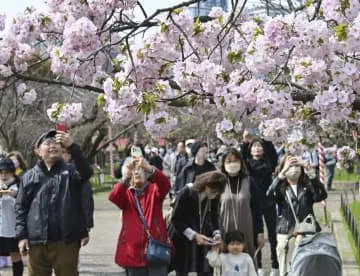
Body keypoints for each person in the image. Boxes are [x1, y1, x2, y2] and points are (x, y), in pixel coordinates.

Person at [15, 129, 93, 276]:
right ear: (38, 151)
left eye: (56, 143)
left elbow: (86, 172)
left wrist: (72, 147)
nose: (53, 146)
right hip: (36, 241)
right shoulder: (28, 176)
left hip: (66, 239)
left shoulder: (71, 172)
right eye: (48, 143)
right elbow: (21, 208)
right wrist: (22, 236)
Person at [109, 157, 170, 276]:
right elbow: (114, 197)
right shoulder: (126, 193)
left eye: (141, 169)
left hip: (156, 248)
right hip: (132, 251)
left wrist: (150, 168)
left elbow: (165, 185)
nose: (137, 172)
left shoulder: (154, 190)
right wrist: (125, 177)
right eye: (134, 170)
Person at [267, 155, 327, 276]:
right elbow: (270, 196)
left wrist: (311, 173)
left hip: (307, 228)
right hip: (286, 229)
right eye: (290, 165)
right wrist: (281, 174)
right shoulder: (281, 188)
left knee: (306, 264)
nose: (293, 168)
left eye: (296, 165)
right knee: (284, 259)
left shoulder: (308, 185)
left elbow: (321, 195)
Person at [169, 171, 227, 276]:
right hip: (183, 235)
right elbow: (176, 219)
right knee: (182, 268)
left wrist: (217, 234)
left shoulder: (214, 196)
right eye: (212, 190)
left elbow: (215, 215)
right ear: (205, 184)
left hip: (203, 234)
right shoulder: (187, 192)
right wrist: (194, 235)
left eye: (217, 192)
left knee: (205, 268)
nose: (214, 193)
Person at [242, 136, 279, 276]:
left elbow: (273, 153)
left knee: (273, 234)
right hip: (253, 203)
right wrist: (245, 142)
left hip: (268, 202)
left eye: (260, 146)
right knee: (255, 234)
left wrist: (268, 135)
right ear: (250, 150)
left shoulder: (269, 162)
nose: (257, 148)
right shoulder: (247, 164)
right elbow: (242, 152)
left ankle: (275, 264)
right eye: (254, 146)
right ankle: (258, 265)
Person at [220, 148, 264, 258]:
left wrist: (260, 232)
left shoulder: (249, 181)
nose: (232, 164)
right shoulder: (219, 182)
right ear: (223, 164)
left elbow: (256, 209)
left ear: (241, 162)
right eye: (229, 161)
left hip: (246, 230)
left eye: (235, 161)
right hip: (224, 230)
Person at [0, 157, 24, 276]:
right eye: (1, 173)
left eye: (7, 172)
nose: (4, 175)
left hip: (12, 230)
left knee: (15, 256)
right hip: (0, 229)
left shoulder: (18, 186)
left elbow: (22, 205)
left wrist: (12, 195)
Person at [62, 149, 94, 233]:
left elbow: (87, 199)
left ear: (69, 155)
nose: (60, 155)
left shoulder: (78, 173)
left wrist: (87, 223)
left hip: (73, 222)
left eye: (63, 152)